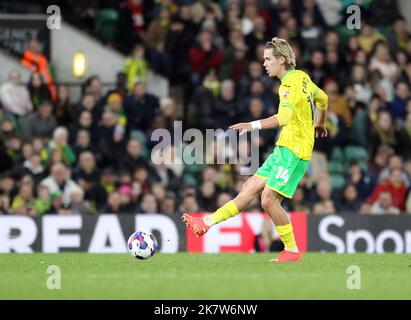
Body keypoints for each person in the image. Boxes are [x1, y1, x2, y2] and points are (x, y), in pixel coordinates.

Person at [183, 37, 328, 262]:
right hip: (284, 148)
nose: (264, 63)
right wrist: (320, 122)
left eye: (268, 59)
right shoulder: (303, 78)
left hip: (294, 151)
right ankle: (206, 223)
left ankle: (291, 250)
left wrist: (252, 125)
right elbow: (324, 99)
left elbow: (284, 117)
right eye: (263, 59)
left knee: (268, 200)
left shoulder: (288, 84)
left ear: (281, 59)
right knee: (250, 187)